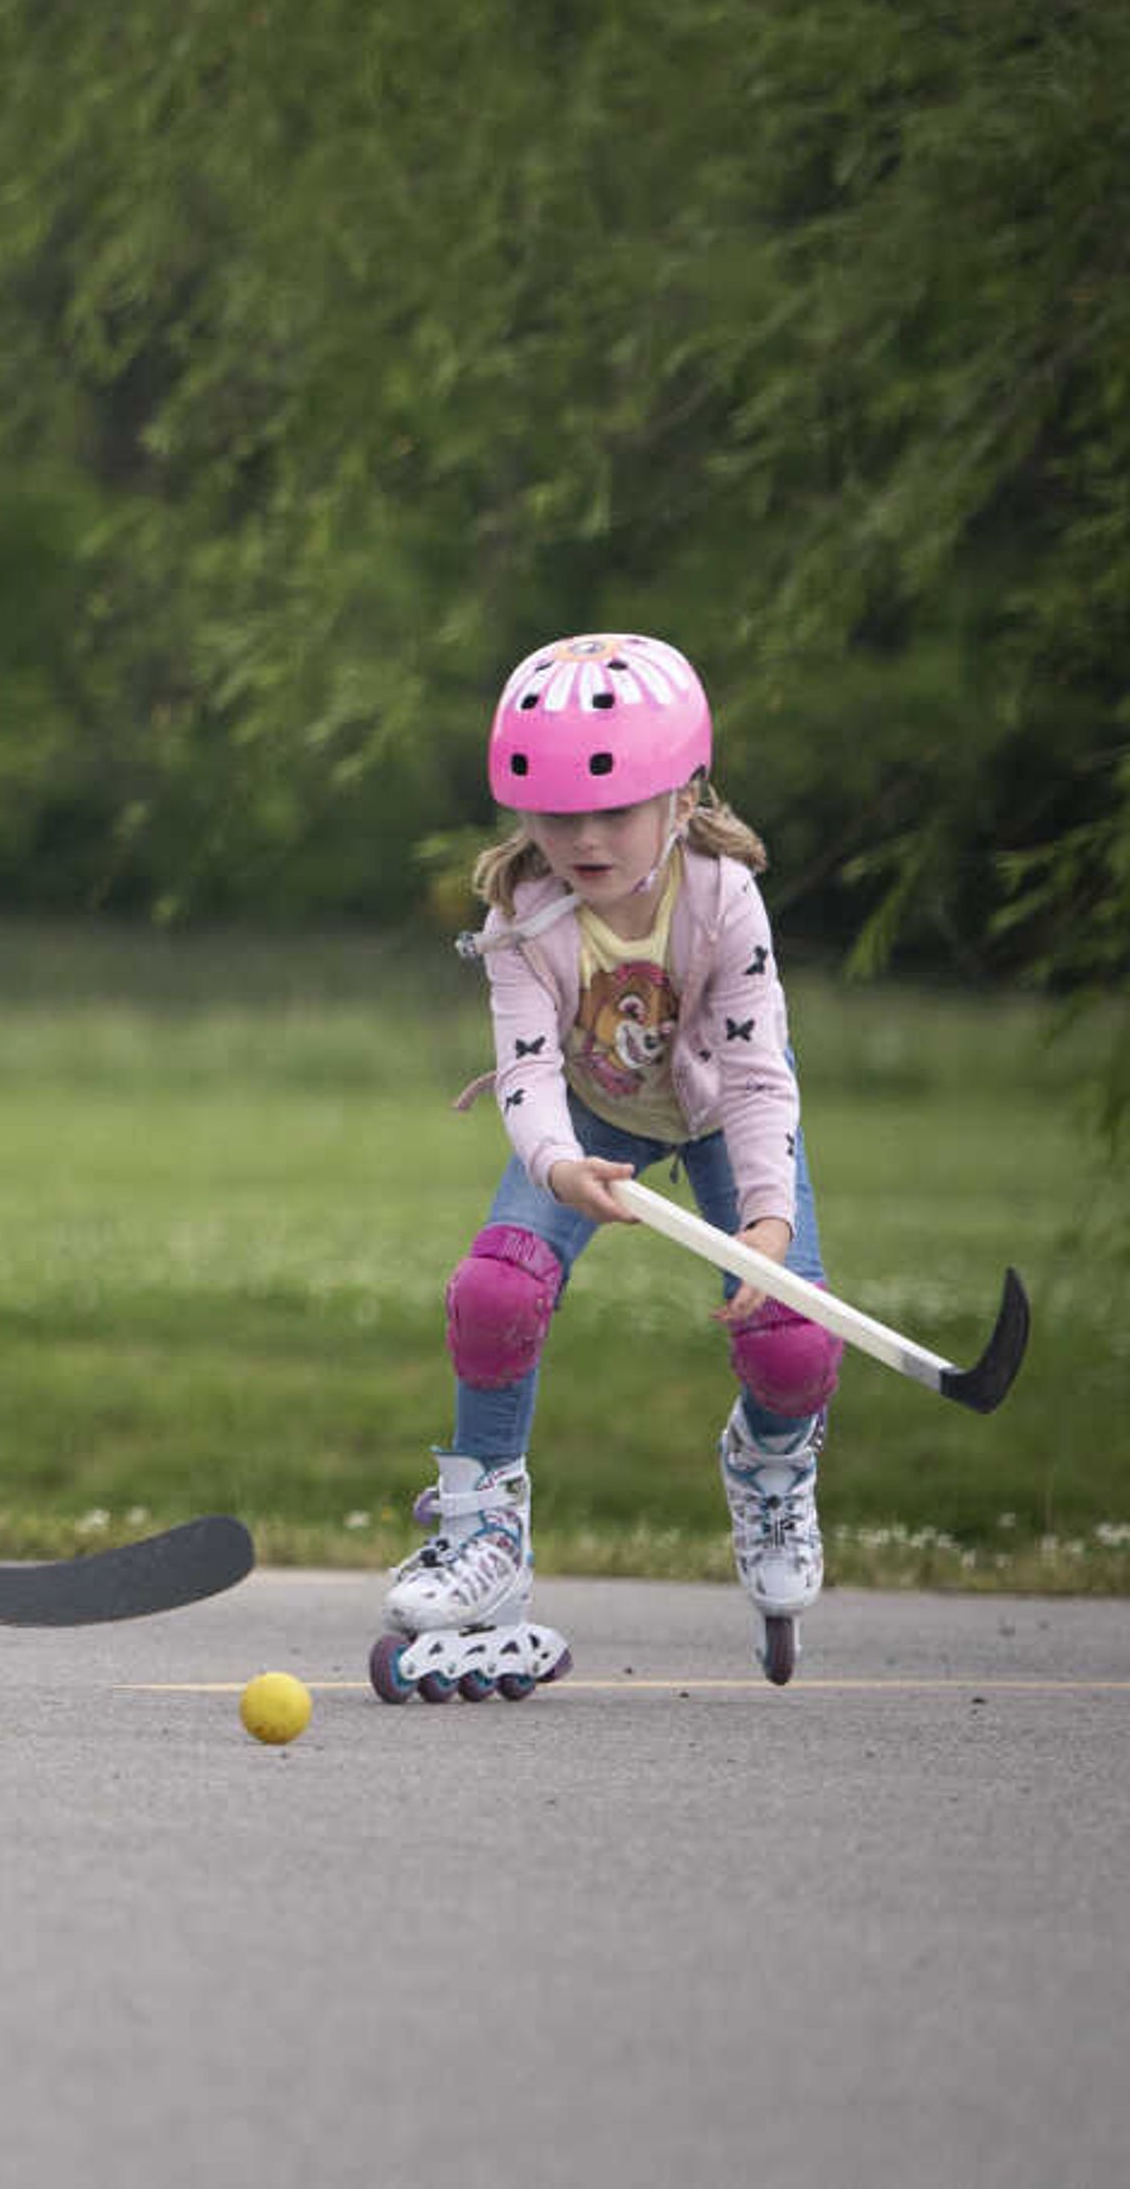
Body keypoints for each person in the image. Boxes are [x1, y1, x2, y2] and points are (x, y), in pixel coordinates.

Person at [375, 630, 840, 1700]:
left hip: (724, 1114)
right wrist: (559, 1164)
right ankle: (485, 1528)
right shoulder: (523, 915)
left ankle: (771, 1463)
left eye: (611, 810)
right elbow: (529, 1069)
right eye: (552, 812)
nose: (580, 837)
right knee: (495, 1290)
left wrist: (766, 1220)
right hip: (590, 1115)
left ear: (682, 798)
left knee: (792, 1339)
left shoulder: (723, 897)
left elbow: (763, 1075)